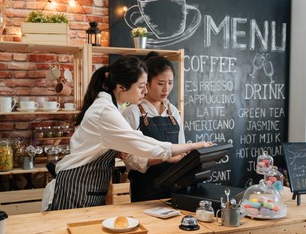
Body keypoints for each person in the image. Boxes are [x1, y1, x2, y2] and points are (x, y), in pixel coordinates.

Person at [49, 55, 211, 211]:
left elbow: (118, 142)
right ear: (121, 87)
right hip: (78, 185)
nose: (144, 91)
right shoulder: (105, 110)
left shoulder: (112, 107)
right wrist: (196, 145)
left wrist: (118, 152)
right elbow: (142, 143)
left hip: (90, 185)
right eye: (141, 86)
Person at [122, 52, 201, 201]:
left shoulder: (173, 112)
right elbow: (131, 160)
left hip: (175, 188)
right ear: (147, 82)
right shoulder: (132, 112)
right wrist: (165, 157)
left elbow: (181, 148)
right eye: (160, 83)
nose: (166, 89)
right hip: (146, 190)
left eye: (170, 82)